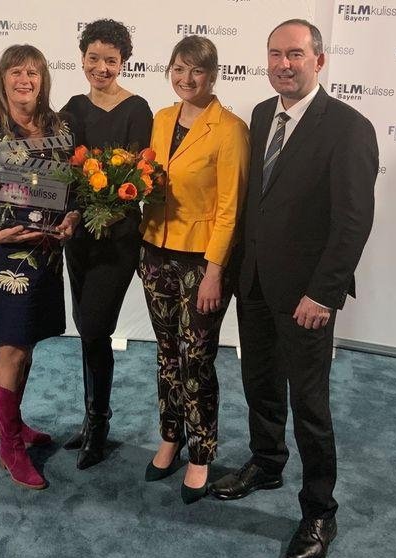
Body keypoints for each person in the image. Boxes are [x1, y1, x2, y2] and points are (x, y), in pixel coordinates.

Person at [209, 19, 377, 558]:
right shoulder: (261, 115)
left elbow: (352, 222)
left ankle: (319, 509)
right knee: (258, 381)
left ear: (319, 61)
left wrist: (323, 294)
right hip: (253, 281)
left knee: (309, 403)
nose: (285, 64)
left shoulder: (349, 127)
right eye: (276, 54)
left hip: (308, 295)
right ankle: (267, 461)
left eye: (296, 54)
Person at [0, 45, 80, 490]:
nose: (26, 80)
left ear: (44, 79)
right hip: (3, 257)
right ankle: (9, 445)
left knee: (28, 347)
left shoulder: (60, 129)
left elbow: (70, 191)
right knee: (13, 350)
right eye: (16, 72)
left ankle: (11, 422)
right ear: (1, 78)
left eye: (34, 72)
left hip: (44, 256)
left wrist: (72, 219)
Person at [139, 36, 249, 504]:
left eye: (197, 72)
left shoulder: (230, 129)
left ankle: (201, 452)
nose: (187, 79)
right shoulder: (162, 118)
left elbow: (230, 210)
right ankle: (170, 436)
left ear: (214, 75)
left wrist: (215, 270)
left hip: (202, 262)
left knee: (196, 360)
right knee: (166, 354)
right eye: (179, 69)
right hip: (155, 251)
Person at [60, 19, 153, 470]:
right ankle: (91, 416)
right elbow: (59, 170)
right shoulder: (71, 107)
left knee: (95, 326)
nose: (101, 67)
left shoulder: (138, 108)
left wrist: (98, 211)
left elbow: (136, 177)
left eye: (110, 60)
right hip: (76, 236)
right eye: (93, 58)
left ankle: (100, 424)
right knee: (85, 328)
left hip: (116, 238)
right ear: (82, 58)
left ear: (123, 63)